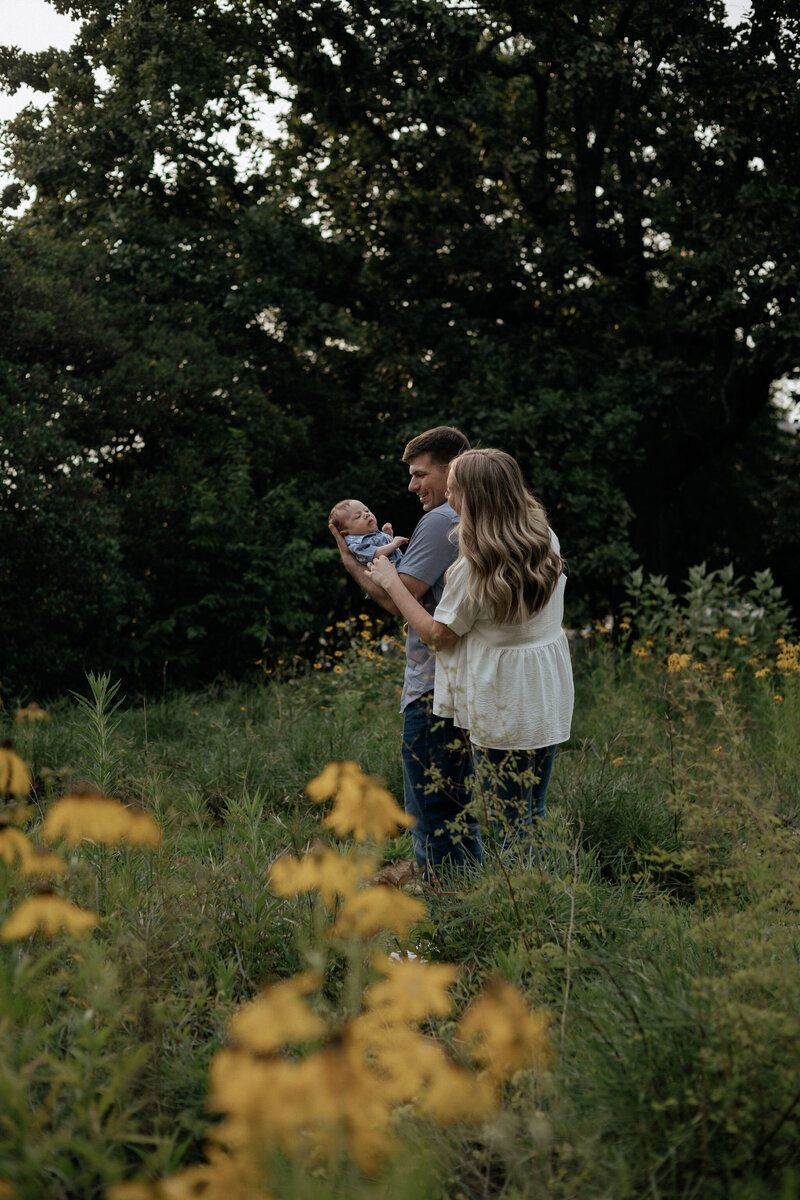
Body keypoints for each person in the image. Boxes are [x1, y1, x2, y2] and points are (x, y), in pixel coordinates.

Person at [368, 448, 574, 850]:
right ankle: (545, 901)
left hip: (503, 700)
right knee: (532, 812)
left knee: (511, 820)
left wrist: (391, 580)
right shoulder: (544, 537)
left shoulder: (476, 565)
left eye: (454, 490)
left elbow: (436, 636)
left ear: (474, 498)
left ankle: (529, 906)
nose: (448, 497)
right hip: (545, 689)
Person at [328, 426, 482, 874]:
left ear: (451, 469)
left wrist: (346, 554)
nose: (411, 486)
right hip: (462, 684)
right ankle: (470, 911)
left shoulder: (441, 520)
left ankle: (445, 923)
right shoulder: (478, 517)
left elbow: (397, 596)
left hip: (433, 690)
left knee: (432, 816)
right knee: (457, 815)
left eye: (419, 474)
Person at [328, 499, 407, 565]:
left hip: (403, 566)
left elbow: (386, 549)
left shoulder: (373, 534)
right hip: (393, 576)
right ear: (346, 533)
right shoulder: (357, 545)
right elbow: (375, 554)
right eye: (358, 516)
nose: (366, 515)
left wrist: (388, 535)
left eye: (366, 510)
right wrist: (394, 544)